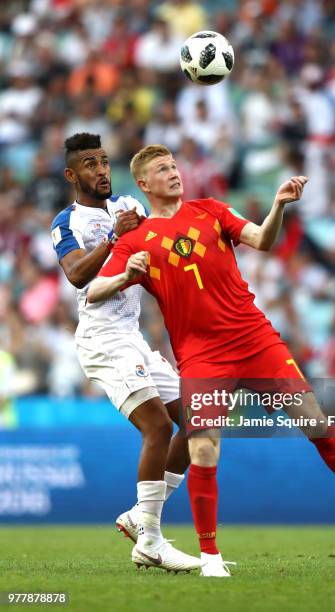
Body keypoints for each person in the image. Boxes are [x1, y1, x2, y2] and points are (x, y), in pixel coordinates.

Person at [88, 144, 335, 577]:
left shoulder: (210, 209)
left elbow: (261, 239)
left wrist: (278, 205)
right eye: (162, 169)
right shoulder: (134, 240)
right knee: (203, 446)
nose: (174, 172)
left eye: (174, 165)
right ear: (144, 184)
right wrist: (128, 275)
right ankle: (210, 557)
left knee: (315, 421)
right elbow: (93, 292)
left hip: (254, 338)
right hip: (202, 355)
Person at [51, 133, 202, 573]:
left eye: (103, 162)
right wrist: (114, 241)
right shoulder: (67, 222)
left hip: (132, 337)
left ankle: (141, 518)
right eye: (89, 164)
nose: (100, 171)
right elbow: (77, 275)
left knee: (200, 421)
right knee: (156, 425)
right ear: (71, 174)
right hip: (101, 338)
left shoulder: (128, 207)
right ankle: (152, 540)